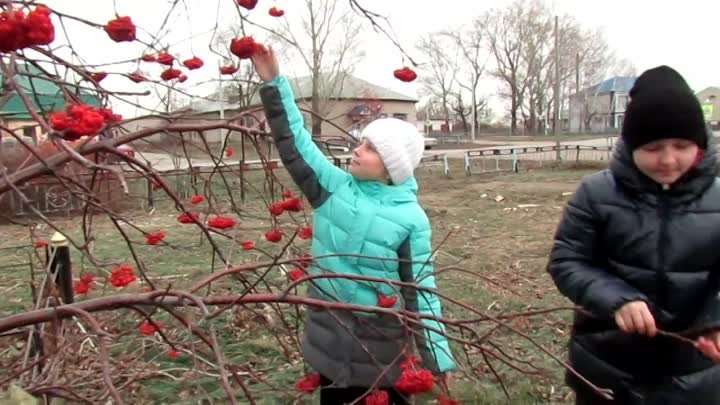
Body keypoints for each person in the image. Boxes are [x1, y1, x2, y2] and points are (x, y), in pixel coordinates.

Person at [252, 44, 456, 405]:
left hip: (381, 350)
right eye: (361, 142)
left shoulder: (410, 220)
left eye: (372, 148)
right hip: (328, 337)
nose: (358, 150)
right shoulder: (332, 188)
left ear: (392, 167)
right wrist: (274, 84)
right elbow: (295, 143)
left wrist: (436, 357)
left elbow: (420, 289)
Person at [547, 65, 720, 405]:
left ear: (699, 146)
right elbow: (567, 261)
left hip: (693, 375)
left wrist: (715, 321)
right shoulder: (595, 194)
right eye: (653, 148)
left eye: (681, 145)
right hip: (608, 365)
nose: (668, 160)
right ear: (631, 145)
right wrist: (617, 299)